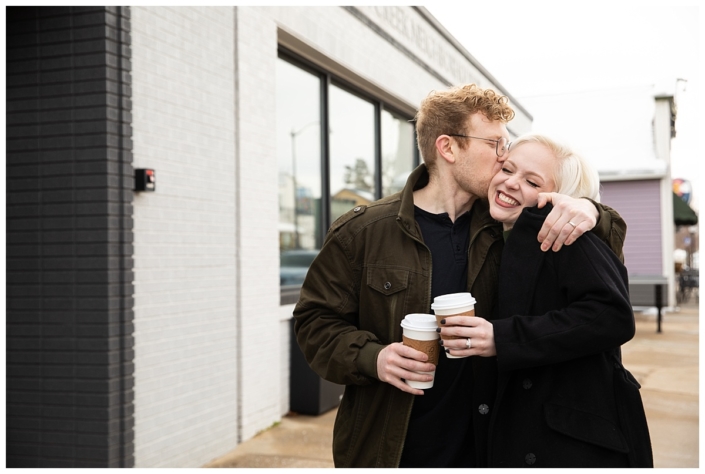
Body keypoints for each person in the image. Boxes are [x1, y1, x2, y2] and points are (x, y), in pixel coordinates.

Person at [293, 84, 626, 468]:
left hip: (487, 448)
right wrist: (375, 357)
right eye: (496, 144)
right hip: (390, 448)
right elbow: (314, 322)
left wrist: (590, 210)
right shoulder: (364, 232)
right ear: (449, 148)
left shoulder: (509, 225)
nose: (505, 156)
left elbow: (597, 261)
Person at [437, 134, 653, 467]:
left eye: (531, 181)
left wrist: (502, 337)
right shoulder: (498, 234)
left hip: (573, 445)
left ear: (559, 197)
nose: (510, 183)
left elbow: (612, 315)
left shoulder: (566, 236)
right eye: (507, 169)